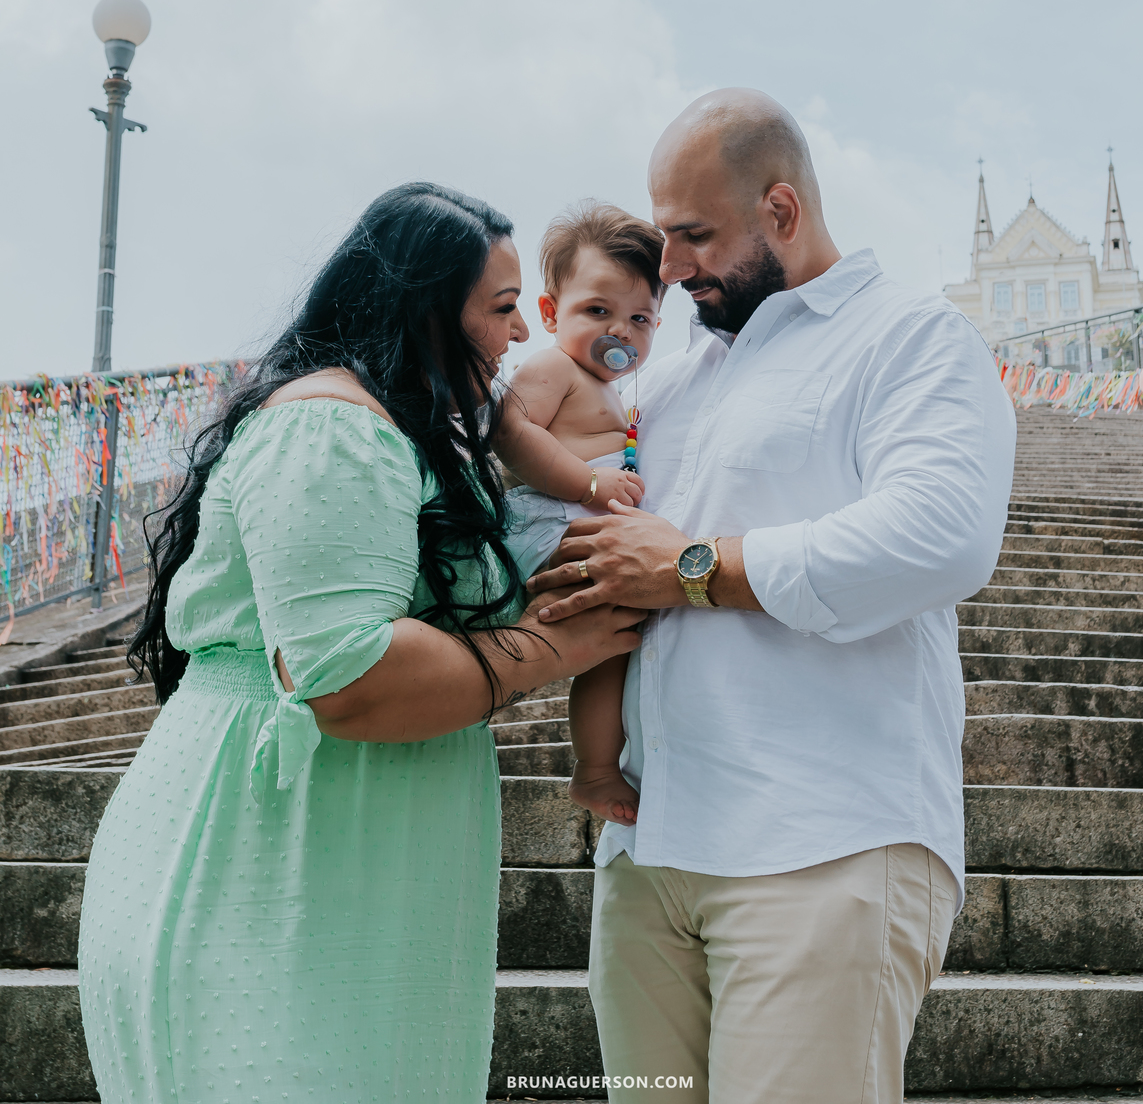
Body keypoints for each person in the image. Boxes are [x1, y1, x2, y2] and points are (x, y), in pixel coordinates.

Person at [78, 182, 644, 1104]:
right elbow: (353, 677)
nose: (518, 341)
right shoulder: (333, 427)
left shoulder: (410, 431)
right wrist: (554, 647)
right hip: (268, 873)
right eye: (502, 311)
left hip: (341, 879)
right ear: (426, 308)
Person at [528, 91, 1016, 1104]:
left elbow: (941, 534)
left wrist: (694, 566)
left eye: (694, 236)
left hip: (820, 843)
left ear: (782, 212)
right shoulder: (664, 381)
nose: (666, 269)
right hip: (649, 850)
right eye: (663, 237)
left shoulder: (910, 337)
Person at [495, 201, 665, 824]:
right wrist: (592, 486)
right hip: (547, 522)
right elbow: (509, 432)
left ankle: (596, 770)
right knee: (608, 628)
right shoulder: (552, 366)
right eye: (598, 311)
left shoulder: (608, 387)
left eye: (640, 318)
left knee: (614, 640)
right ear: (549, 313)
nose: (621, 331)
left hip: (578, 524)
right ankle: (592, 767)